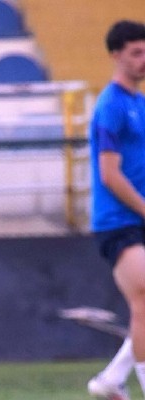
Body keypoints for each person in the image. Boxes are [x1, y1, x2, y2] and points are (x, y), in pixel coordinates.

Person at [87, 19, 145, 400]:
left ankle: (111, 379)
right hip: (118, 221)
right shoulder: (110, 105)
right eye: (136, 53)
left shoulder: (139, 104)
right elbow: (110, 174)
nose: (143, 60)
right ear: (115, 55)